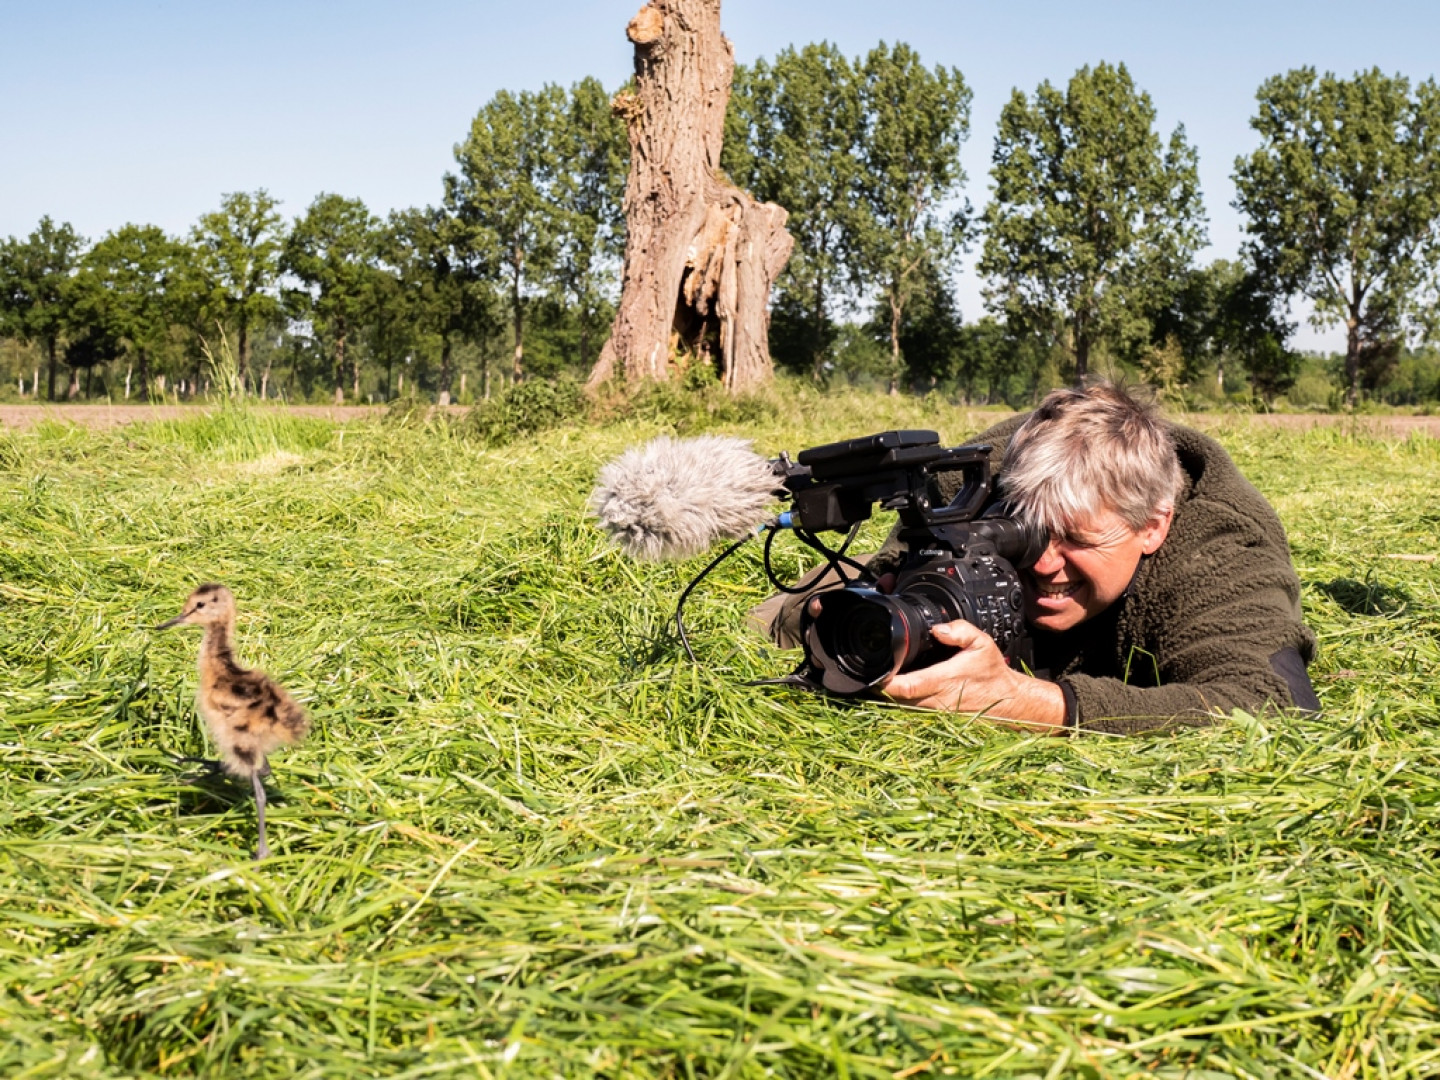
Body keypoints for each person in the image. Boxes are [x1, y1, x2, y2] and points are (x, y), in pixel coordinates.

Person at [753, 381, 1320, 735]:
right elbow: (876, 582)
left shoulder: (1218, 548)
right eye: (1027, 536)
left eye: (1078, 542)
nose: (1046, 565)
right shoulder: (974, 481)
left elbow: (1270, 703)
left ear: (1153, 526)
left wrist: (1035, 703)